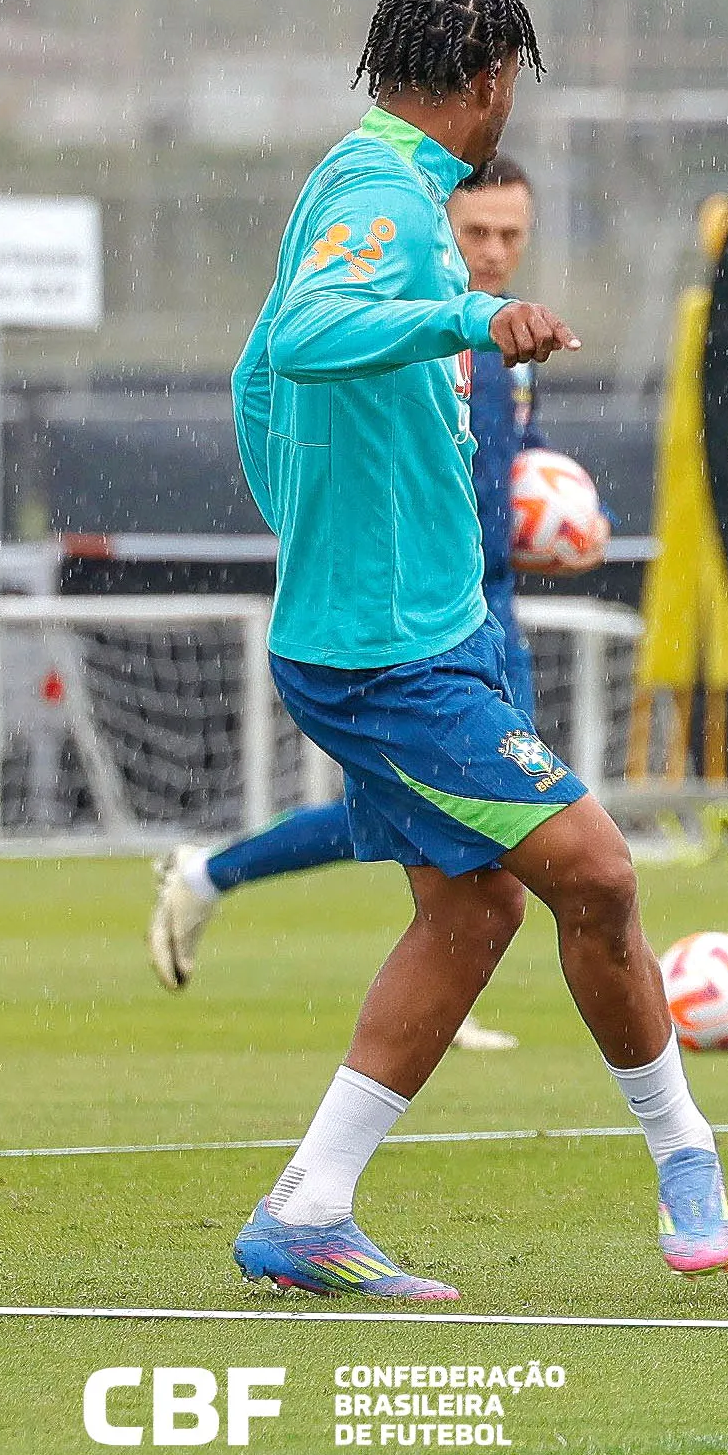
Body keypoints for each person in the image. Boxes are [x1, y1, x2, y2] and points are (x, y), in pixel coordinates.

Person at [222, 0, 728, 1297]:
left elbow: (253, 370)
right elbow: (306, 332)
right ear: (492, 77)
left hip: (410, 624)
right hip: (386, 649)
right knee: (598, 872)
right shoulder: (382, 194)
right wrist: (470, 316)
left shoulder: (375, 180)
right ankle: (684, 1146)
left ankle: (308, 1206)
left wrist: (313, 513)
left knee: (474, 908)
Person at [152, 155, 588, 1051]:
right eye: (475, 232)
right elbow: (272, 385)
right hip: (409, 623)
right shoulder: (405, 333)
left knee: (432, 819)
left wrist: (569, 511)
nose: (493, 251)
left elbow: (518, 457)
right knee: (473, 820)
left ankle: (218, 878)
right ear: (442, 233)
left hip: (490, 611)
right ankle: (221, 878)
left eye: (510, 234)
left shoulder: (510, 344)